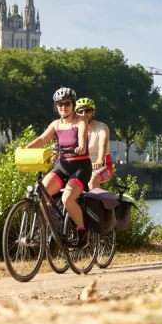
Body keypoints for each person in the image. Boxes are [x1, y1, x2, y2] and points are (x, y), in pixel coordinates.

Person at [27, 87, 92, 247]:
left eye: (67, 103)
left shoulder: (80, 120)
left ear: (73, 104)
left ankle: (82, 230)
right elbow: (42, 139)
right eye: (59, 104)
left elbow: (82, 135)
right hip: (62, 165)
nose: (63, 107)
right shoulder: (56, 124)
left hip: (80, 167)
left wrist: (82, 146)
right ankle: (46, 231)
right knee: (42, 192)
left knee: (67, 198)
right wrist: (26, 148)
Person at [75, 97, 114, 190]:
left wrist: (99, 161)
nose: (84, 114)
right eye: (80, 111)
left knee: (92, 179)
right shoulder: (73, 129)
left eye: (87, 111)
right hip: (80, 168)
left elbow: (102, 145)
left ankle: (97, 204)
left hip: (102, 167)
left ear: (93, 113)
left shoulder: (101, 127)